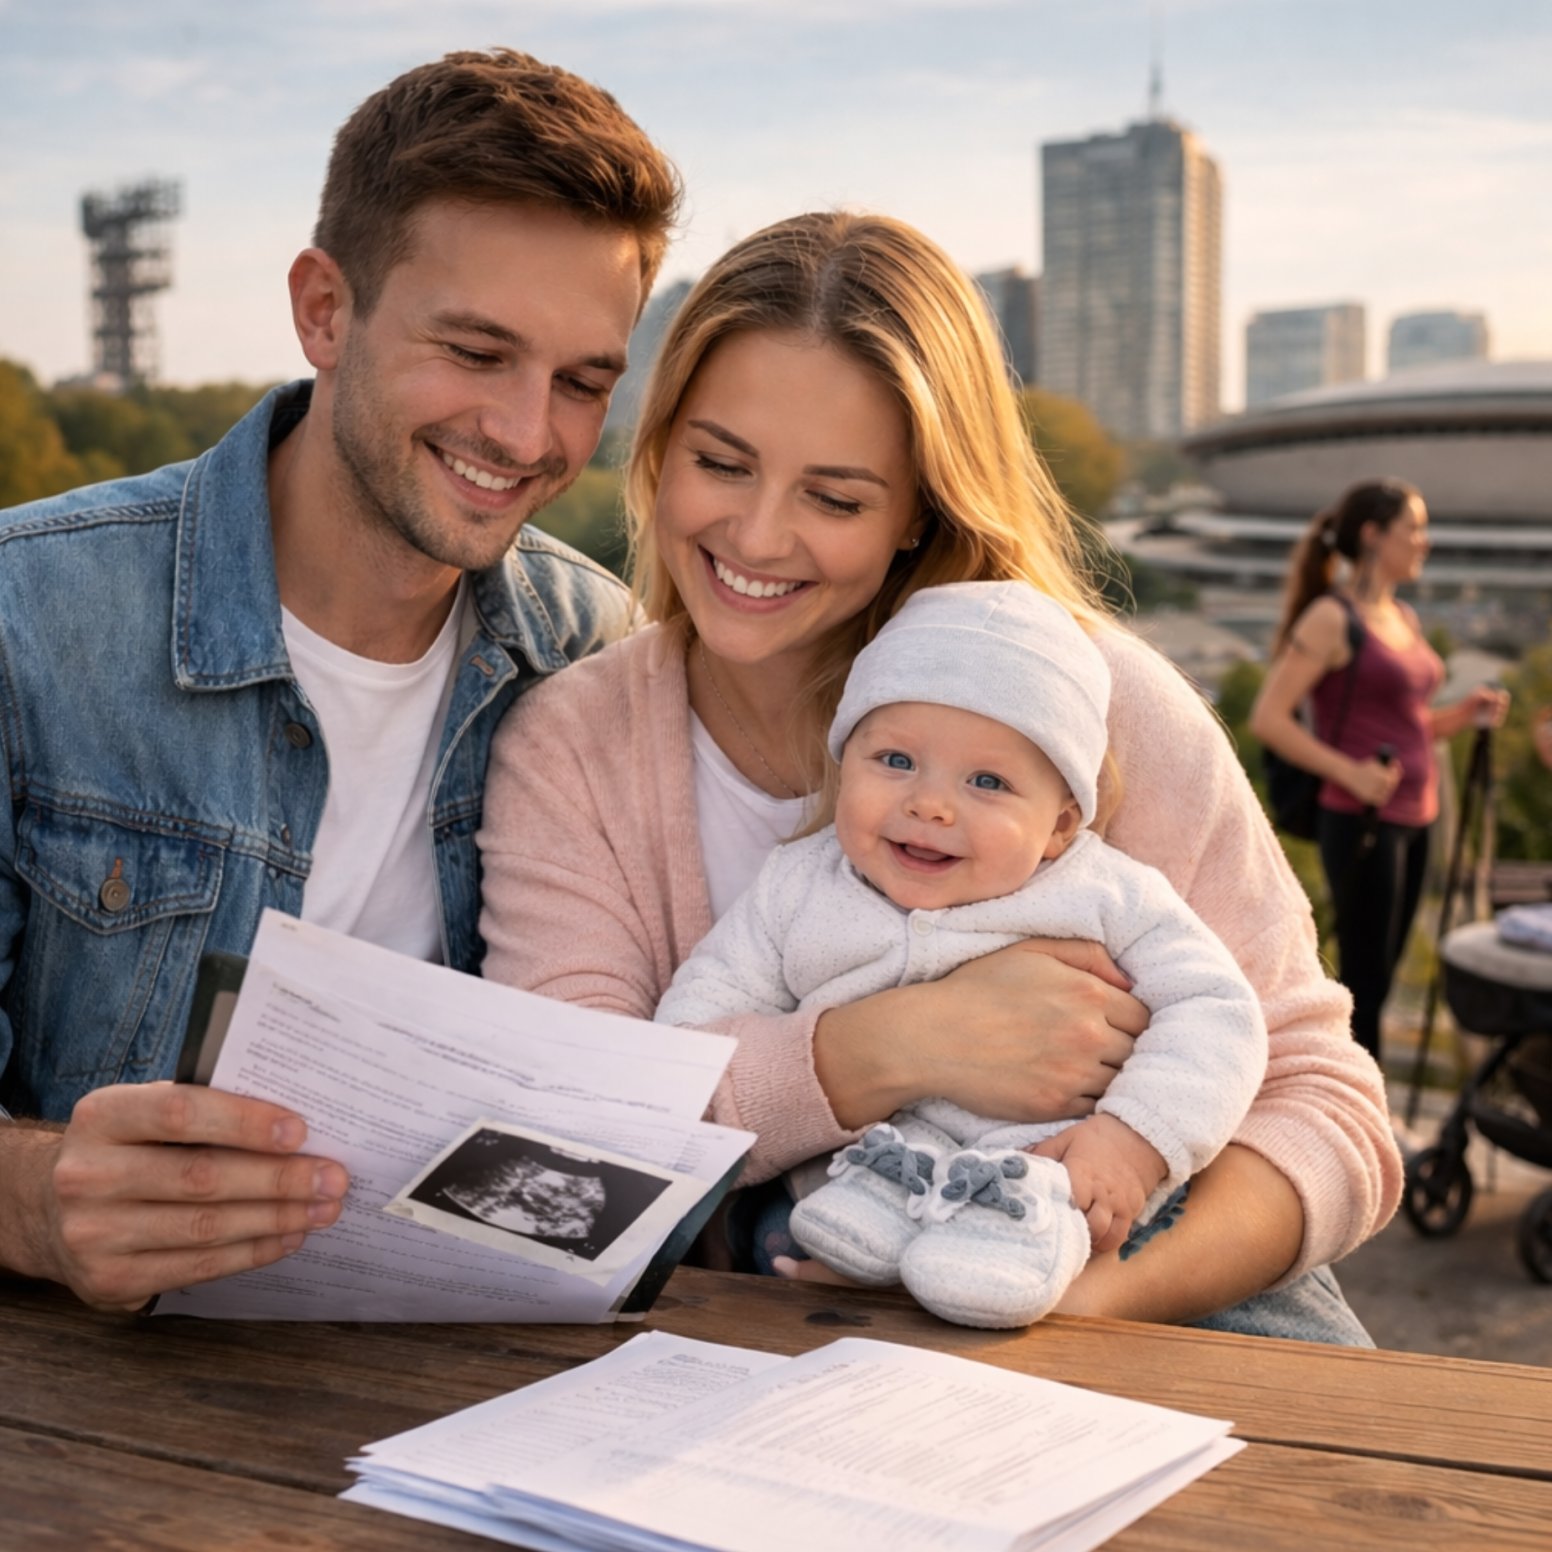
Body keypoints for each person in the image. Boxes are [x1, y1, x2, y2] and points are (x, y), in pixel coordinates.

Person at [478, 210, 1403, 1343]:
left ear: (919, 507)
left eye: (835, 496)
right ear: (658, 448)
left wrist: (1069, 1294)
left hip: (1180, 1312)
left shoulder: (1100, 705)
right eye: (721, 462)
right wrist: (899, 1045)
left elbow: (1326, 1102)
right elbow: (577, 1138)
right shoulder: (573, 745)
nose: (758, 536)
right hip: (806, 1330)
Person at [0, 49, 681, 1311]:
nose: (529, 435)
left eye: (584, 381)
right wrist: (39, 1202)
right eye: (477, 352)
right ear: (324, 310)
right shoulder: (26, 619)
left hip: (467, 1404)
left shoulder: (598, 654)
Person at [655, 581, 1267, 1329]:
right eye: (895, 760)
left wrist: (1135, 1139)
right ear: (844, 762)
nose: (932, 804)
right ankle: (878, 1213)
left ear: (1059, 826)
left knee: (1042, 1222)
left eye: (988, 782)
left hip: (1045, 1167)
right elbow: (695, 1022)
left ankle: (1011, 1234)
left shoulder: (1109, 894)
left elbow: (1218, 1013)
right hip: (859, 1168)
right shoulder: (797, 886)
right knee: (783, 1237)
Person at [1249, 479, 1508, 1067]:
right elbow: (1270, 717)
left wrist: (1461, 717)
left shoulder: (1402, 616)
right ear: (1372, 535)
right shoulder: (1331, 618)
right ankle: (1362, 1118)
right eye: (1412, 528)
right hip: (1363, 819)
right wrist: (1351, 773)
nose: (1424, 541)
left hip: (1417, 817)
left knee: (1383, 976)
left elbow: (1406, 724)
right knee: (1366, 984)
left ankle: (1360, 1109)